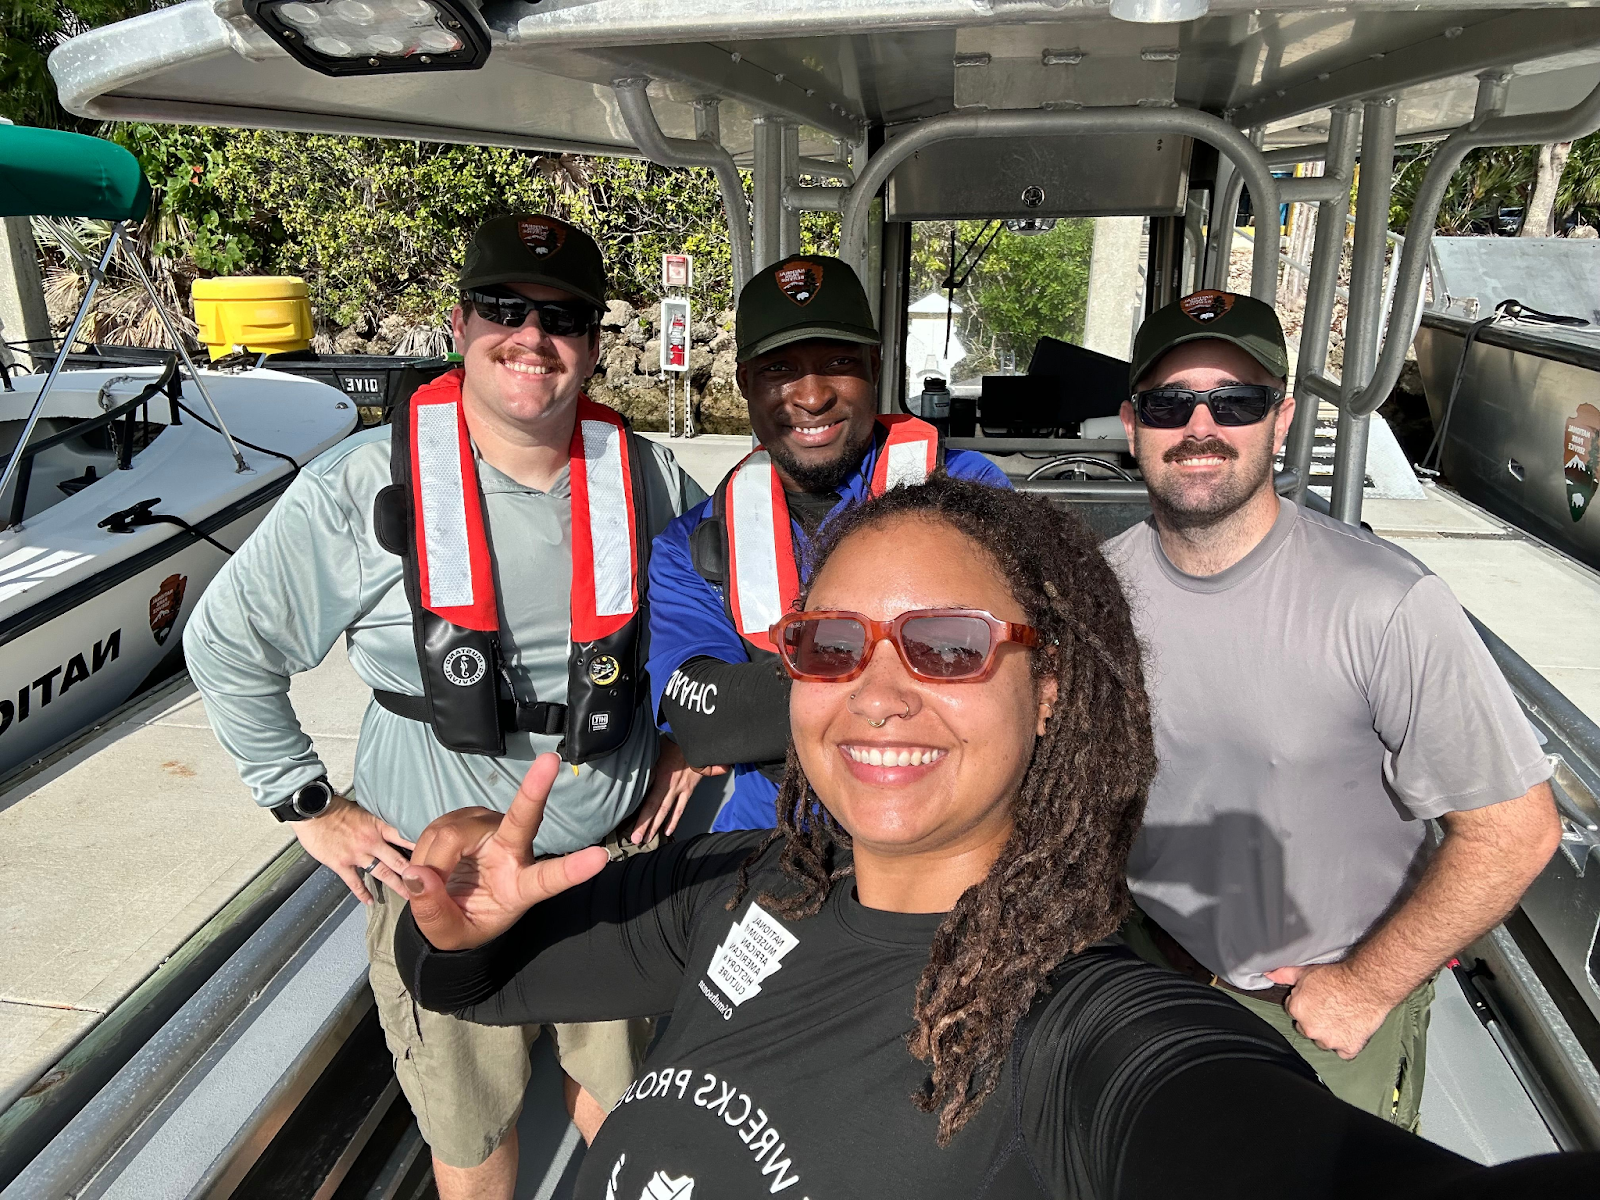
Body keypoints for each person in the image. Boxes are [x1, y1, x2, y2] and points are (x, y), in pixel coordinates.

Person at [390, 476, 1592, 1200]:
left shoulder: (1075, 1022)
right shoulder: (757, 887)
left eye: (950, 646)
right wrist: (454, 915)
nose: (876, 689)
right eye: (831, 643)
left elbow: (1262, 1150)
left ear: (1051, 692)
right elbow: (479, 980)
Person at [184, 213, 707, 1200]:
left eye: (562, 316)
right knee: (473, 1134)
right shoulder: (361, 487)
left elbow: (708, 629)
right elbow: (223, 643)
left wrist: (687, 742)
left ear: (593, 345)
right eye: (504, 309)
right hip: (445, 882)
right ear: (459, 323)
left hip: (607, 867)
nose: (531, 335)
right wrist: (306, 804)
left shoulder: (645, 478)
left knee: (626, 1101)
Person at [1106, 289, 1563, 1126]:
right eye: (1171, 402)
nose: (1201, 426)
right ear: (1132, 423)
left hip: (1317, 1016)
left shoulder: (1385, 603)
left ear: (1280, 423)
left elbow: (1517, 829)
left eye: (1236, 402)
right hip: (1146, 974)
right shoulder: (1097, 591)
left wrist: (1367, 985)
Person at [646, 254, 1011, 832]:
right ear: (744, 383)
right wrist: (911, 674)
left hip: (943, 821)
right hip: (766, 828)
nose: (811, 396)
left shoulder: (973, 491)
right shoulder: (689, 546)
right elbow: (705, 722)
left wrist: (762, 708)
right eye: (779, 369)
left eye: (839, 363)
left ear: (874, 365)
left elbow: (1002, 681)